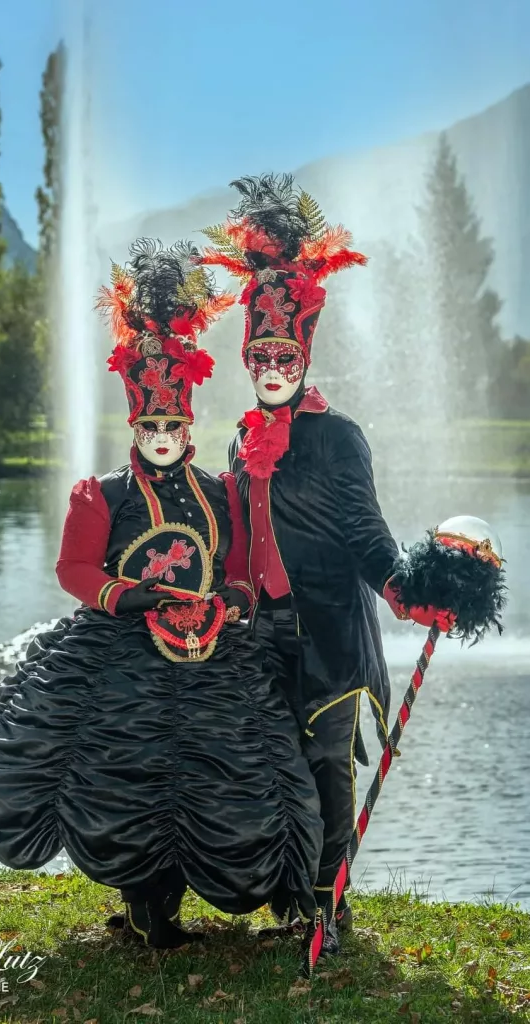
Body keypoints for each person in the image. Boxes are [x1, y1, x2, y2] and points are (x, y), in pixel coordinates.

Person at [0, 237, 324, 949]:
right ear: (135, 425)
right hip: (118, 659)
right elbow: (74, 571)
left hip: (212, 658)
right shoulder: (100, 494)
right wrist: (131, 597)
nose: (160, 435)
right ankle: (148, 911)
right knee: (128, 781)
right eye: (149, 426)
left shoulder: (220, 491)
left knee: (230, 777)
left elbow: (236, 564)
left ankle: (222, 899)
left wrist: (232, 601)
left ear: (187, 426)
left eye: (171, 425)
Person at [202, 175, 452, 953]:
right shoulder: (240, 441)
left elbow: (366, 534)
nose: (271, 364)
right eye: (259, 353)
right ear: (246, 358)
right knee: (267, 765)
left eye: (283, 352)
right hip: (258, 630)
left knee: (325, 768)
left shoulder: (339, 437)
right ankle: (281, 896)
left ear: (303, 353)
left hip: (329, 636)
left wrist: (404, 591)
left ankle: (326, 909)